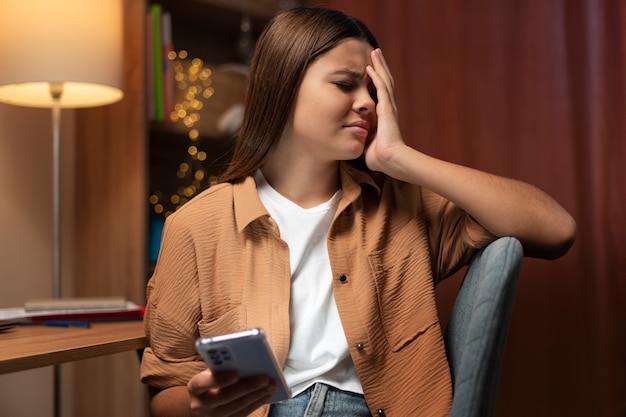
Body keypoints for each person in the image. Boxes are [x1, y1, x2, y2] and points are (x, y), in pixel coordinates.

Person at [140, 6, 576, 417]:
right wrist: (198, 404)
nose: (368, 102)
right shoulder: (197, 226)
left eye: (373, 90)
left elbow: (556, 229)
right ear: (283, 85)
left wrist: (400, 157)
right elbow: (165, 390)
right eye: (346, 84)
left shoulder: (403, 208)